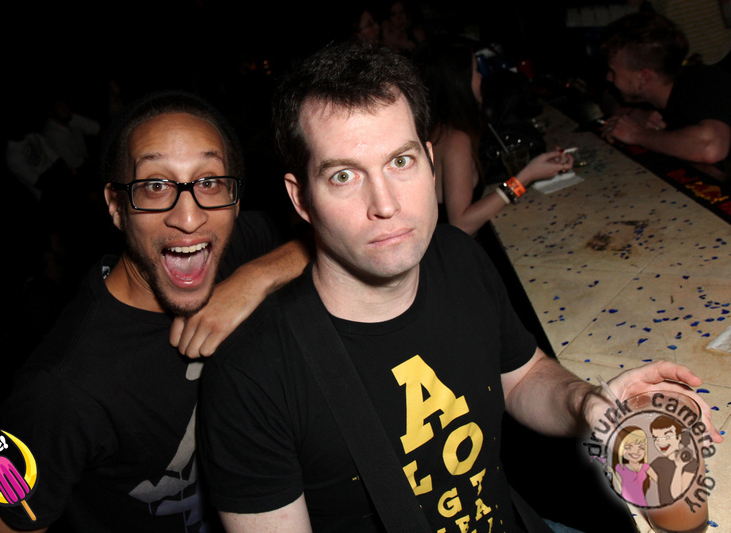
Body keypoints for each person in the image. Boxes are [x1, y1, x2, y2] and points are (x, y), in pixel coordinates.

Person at [198, 43, 722, 533]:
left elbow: (523, 377)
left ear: (429, 163)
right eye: (344, 176)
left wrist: (588, 402)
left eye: (400, 161)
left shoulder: (457, 257)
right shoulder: (250, 377)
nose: (386, 204)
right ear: (300, 198)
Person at [0, 91, 309, 533]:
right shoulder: (60, 389)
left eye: (208, 181)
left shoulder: (241, 246)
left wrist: (256, 277)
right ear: (116, 206)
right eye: (155, 186)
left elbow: (322, 243)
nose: (189, 218)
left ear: (235, 198)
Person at [414, 38, 574, 235]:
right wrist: (526, 177)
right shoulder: (455, 139)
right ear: (460, 83)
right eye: (476, 71)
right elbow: (461, 223)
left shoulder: (437, 129)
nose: (481, 77)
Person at [600, 11, 731, 164]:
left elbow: (710, 148)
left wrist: (638, 134)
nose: (609, 77)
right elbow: (603, 97)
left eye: (614, 72)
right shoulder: (658, 92)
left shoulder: (703, 82)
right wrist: (630, 114)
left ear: (643, 76)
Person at [649, 415, 699, 506]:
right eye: (656, 438)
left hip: (683, 509)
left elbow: (677, 496)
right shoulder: (658, 462)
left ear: (679, 437)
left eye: (667, 437)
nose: (660, 442)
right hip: (663, 510)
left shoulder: (690, 463)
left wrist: (679, 467)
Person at [610, 426, 657, 507]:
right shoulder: (620, 468)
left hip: (642, 505)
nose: (636, 451)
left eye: (641, 448)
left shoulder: (645, 467)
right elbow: (618, 490)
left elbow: (661, 482)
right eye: (629, 447)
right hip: (627, 506)